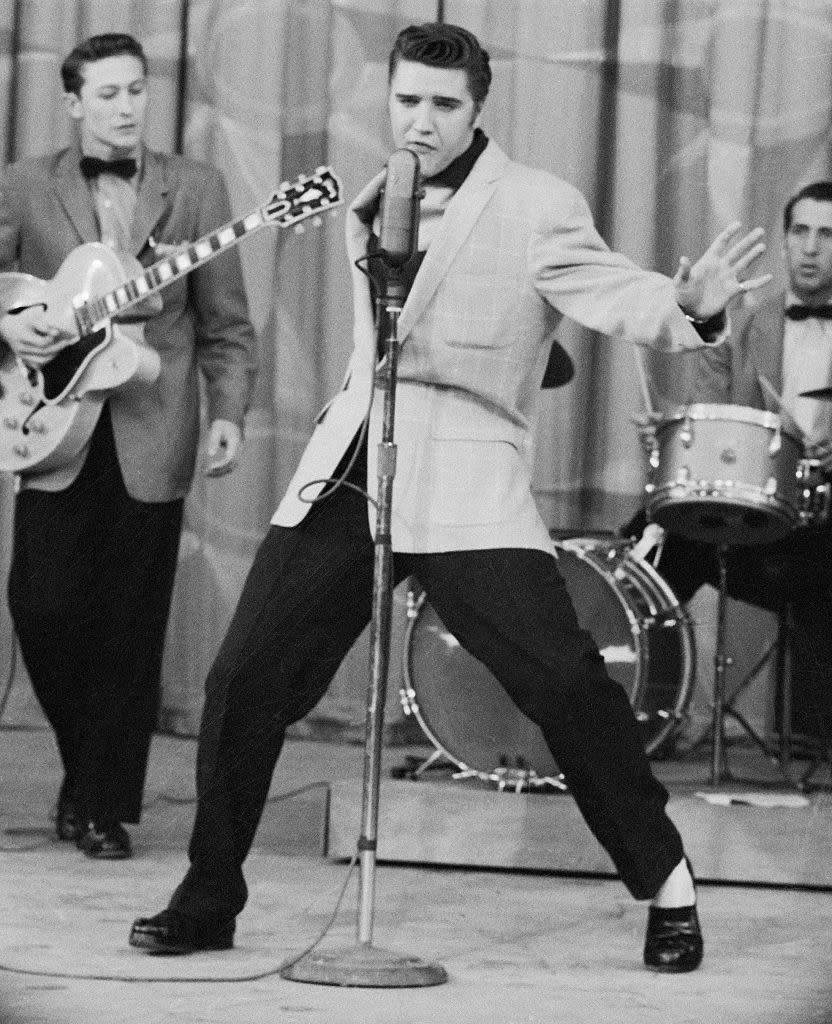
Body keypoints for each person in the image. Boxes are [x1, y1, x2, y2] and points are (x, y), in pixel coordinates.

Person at [129, 22, 769, 970]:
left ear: (478, 109)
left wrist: (693, 306)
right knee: (242, 679)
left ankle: (667, 883)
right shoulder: (372, 196)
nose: (421, 122)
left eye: (443, 106)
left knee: (564, 683)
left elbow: (616, 293)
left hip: (467, 473)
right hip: (353, 466)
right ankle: (208, 894)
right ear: (386, 100)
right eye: (407, 102)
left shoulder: (536, 203)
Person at [0, 34, 257, 860]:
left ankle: (103, 805)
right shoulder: (22, 185)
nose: (125, 107)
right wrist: (18, 321)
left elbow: (226, 323)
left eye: (136, 91)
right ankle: (87, 773)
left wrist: (229, 411)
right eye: (107, 94)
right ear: (74, 103)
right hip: (51, 427)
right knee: (42, 609)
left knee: (130, 625)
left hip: (155, 422)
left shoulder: (198, 189)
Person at [627, 181, 832, 756]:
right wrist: (669, 430)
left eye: (826, 234)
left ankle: (811, 744)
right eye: (800, 232)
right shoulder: (742, 327)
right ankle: (624, 713)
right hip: (755, 523)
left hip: (822, 533)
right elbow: (710, 417)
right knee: (656, 541)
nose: (810, 247)